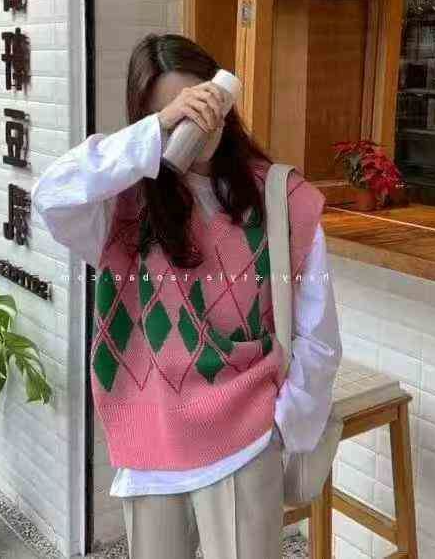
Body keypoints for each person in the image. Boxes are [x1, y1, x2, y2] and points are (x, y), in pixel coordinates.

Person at [32, 33, 342, 559]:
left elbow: (319, 334)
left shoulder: (281, 199)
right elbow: (51, 194)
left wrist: (283, 426)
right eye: (176, 112)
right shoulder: (121, 205)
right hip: (150, 440)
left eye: (203, 103)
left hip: (246, 437)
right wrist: (155, 133)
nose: (196, 125)